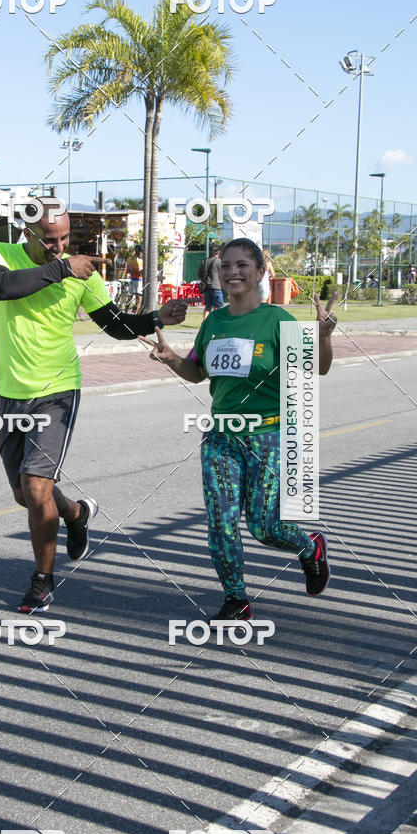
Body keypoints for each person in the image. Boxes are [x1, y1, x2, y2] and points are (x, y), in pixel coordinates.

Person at [0, 202, 187, 613]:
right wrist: (62, 268)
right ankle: (76, 514)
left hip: (58, 390)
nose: (58, 247)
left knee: (37, 486)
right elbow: (2, 287)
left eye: (64, 240)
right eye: (49, 240)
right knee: (25, 494)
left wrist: (155, 318)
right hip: (11, 392)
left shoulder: (82, 273)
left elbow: (113, 324)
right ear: (27, 232)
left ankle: (42, 581)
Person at [141, 237, 337, 621]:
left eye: (243, 265)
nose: (233, 272)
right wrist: (171, 360)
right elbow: (197, 372)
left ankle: (310, 547)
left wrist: (324, 337)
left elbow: (317, 369)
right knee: (221, 521)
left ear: (260, 272)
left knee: (265, 526)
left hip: (268, 436)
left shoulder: (277, 321)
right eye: (226, 265)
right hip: (221, 437)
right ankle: (236, 598)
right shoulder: (213, 322)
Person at [198, 242, 224, 319]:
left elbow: (199, 274)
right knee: (218, 308)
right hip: (217, 287)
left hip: (207, 288)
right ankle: (217, 323)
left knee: (207, 307)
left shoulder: (204, 261)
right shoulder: (219, 262)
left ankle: (205, 323)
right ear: (218, 251)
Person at [126, 245, 144, 313]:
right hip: (138, 280)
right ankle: (134, 313)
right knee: (138, 298)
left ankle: (126, 312)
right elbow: (128, 271)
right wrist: (138, 272)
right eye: (142, 252)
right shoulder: (142, 261)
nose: (142, 254)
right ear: (139, 252)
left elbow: (128, 271)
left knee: (131, 297)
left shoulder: (130, 260)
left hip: (133, 280)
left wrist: (134, 272)